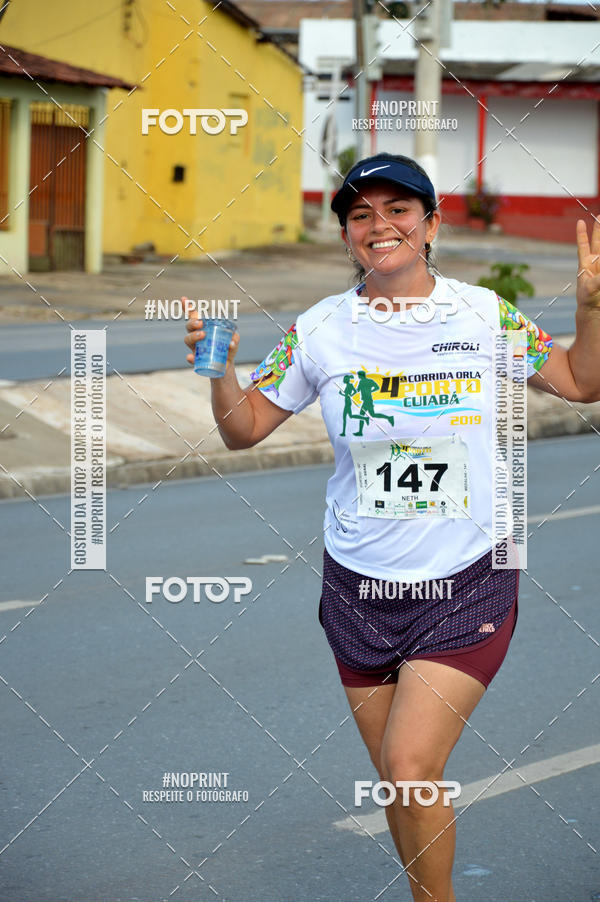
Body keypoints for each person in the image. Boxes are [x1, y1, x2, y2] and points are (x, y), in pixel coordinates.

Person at [184, 152, 600, 902]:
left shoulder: (482, 315)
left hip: (468, 578)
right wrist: (219, 374)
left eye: (399, 209)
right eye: (361, 214)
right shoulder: (319, 331)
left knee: (410, 767)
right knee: (401, 785)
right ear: (347, 236)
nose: (382, 226)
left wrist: (592, 309)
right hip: (359, 588)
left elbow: (580, 382)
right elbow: (243, 430)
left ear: (431, 224)